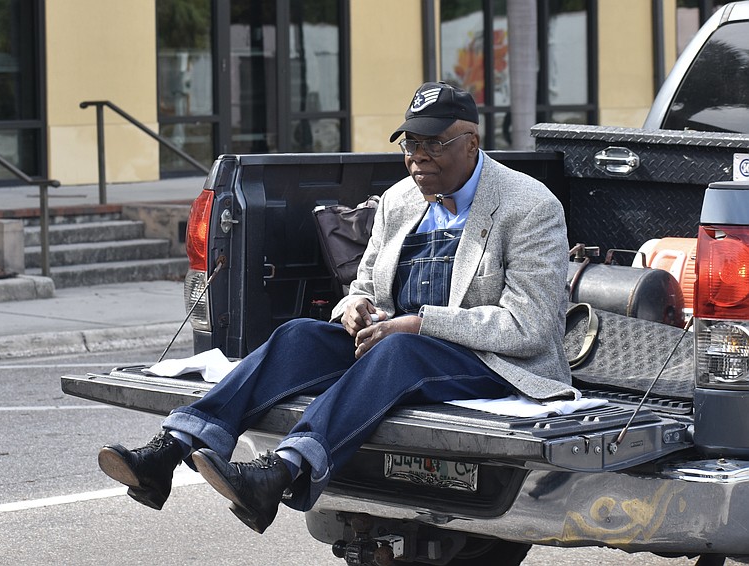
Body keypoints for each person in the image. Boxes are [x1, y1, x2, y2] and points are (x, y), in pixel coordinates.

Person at [97, 81, 576, 534]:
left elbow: (527, 327)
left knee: (398, 353)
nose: (417, 158)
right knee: (298, 335)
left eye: (433, 144)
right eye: (409, 144)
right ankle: (170, 449)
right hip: (401, 344)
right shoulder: (399, 200)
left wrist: (416, 324)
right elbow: (363, 281)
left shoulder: (528, 206)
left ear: (471, 142)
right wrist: (356, 305)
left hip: (492, 361)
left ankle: (280, 472)